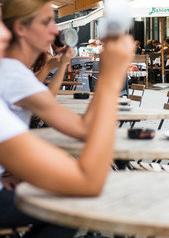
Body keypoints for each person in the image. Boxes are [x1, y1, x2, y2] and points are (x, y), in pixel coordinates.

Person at [0, 13, 134, 236]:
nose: (55, 31)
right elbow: (88, 182)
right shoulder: (11, 74)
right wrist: (110, 78)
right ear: (21, 29)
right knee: (73, 203)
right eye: (46, 22)